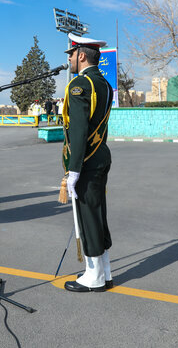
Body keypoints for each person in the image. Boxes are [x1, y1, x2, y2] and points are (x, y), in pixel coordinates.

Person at [61, 33, 114, 293]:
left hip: (87, 160)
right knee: (98, 213)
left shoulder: (79, 85)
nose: (69, 59)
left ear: (81, 55)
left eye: (70, 54)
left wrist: (73, 169)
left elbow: (80, 130)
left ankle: (94, 276)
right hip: (101, 155)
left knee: (88, 215)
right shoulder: (104, 84)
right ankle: (105, 269)